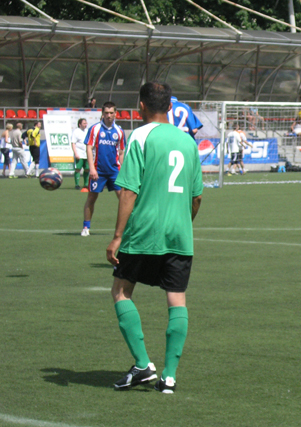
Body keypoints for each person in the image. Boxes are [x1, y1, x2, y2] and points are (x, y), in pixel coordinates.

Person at [106, 81, 203, 394]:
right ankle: (169, 377)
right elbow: (197, 197)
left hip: (144, 232)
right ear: (170, 107)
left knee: (121, 291)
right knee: (176, 298)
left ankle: (143, 364)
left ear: (141, 106)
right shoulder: (188, 142)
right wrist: (182, 223)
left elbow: (128, 191)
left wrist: (117, 236)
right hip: (179, 234)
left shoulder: (140, 136)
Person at [81, 102, 126, 236]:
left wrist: (123, 170)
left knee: (123, 198)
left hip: (114, 171)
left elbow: (121, 152)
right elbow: (89, 148)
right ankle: (86, 227)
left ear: (115, 114)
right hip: (98, 171)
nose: (109, 115)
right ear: (102, 114)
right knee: (91, 197)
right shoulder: (95, 129)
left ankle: (126, 228)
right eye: (106, 113)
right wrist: (92, 168)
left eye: (111, 113)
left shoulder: (119, 131)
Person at [72, 118, 90, 190]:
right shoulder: (76, 132)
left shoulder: (87, 131)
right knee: (78, 169)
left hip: (87, 154)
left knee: (87, 169)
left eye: (86, 123)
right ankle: (77, 184)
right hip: (79, 153)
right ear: (80, 124)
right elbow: (73, 143)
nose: (86, 124)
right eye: (84, 123)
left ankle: (86, 184)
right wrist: (76, 153)